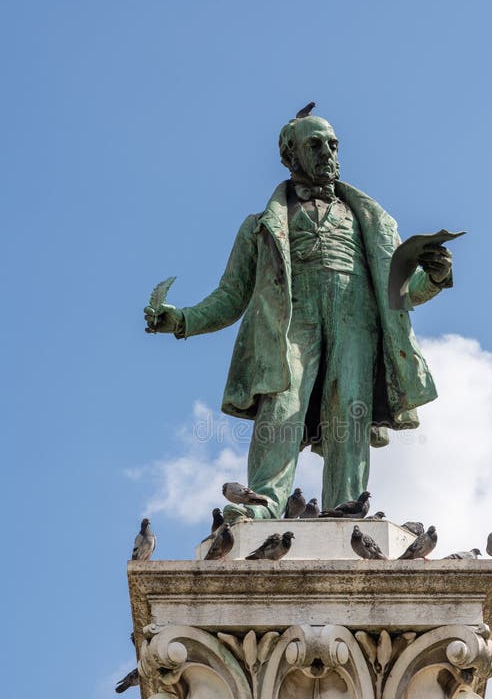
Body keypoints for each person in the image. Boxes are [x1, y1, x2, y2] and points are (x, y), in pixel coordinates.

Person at [144, 111, 453, 519]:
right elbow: (231, 296)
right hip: (291, 322)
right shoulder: (259, 226)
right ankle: (266, 503)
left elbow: (401, 293)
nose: (327, 152)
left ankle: (346, 505)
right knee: (282, 405)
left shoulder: (372, 220)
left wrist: (435, 277)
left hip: (356, 320)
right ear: (291, 154)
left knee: (351, 411)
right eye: (315, 144)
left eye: (332, 144)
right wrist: (181, 320)